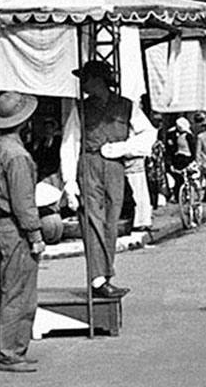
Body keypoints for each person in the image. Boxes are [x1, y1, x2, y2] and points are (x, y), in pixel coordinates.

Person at [73, 60, 155, 299]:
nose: (83, 84)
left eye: (86, 79)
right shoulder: (80, 109)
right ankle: (97, 279)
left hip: (114, 165)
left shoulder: (126, 107)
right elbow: (71, 142)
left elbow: (149, 134)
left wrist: (123, 148)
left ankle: (106, 274)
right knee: (92, 220)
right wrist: (69, 180)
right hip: (89, 163)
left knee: (111, 221)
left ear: (98, 80)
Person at [0, 92, 46, 373]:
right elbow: (23, 203)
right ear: (23, 122)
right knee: (19, 294)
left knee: (8, 289)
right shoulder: (17, 155)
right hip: (15, 228)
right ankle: (10, 353)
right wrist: (36, 236)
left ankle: (5, 348)